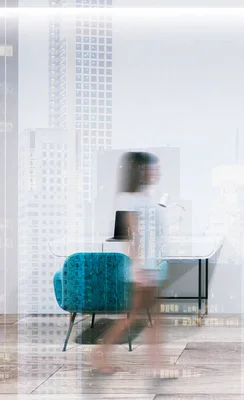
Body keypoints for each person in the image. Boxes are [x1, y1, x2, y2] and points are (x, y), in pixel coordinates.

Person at [91, 151, 167, 377]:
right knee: (134, 318)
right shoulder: (127, 199)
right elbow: (131, 237)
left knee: (150, 319)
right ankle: (99, 354)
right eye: (151, 167)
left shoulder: (145, 198)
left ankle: (156, 365)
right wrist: (141, 268)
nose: (156, 172)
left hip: (150, 268)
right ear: (139, 170)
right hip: (142, 270)